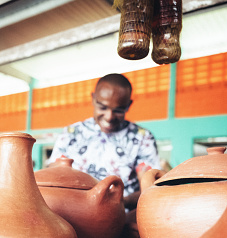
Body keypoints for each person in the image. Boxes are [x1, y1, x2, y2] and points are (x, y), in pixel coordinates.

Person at [48, 73, 161, 210]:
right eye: (103, 107)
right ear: (93, 99)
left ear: (128, 105)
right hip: (74, 213)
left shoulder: (142, 138)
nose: (109, 117)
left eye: (118, 110)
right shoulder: (71, 134)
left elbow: (150, 188)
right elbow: (52, 180)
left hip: (123, 217)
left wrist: (118, 201)